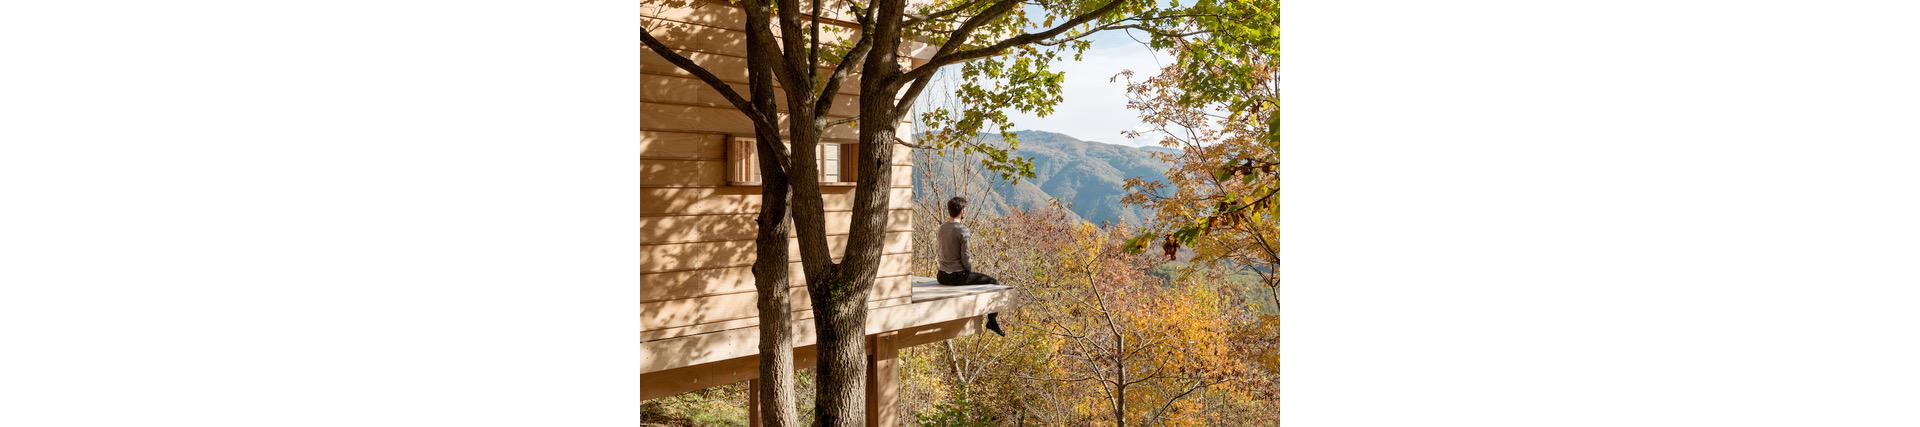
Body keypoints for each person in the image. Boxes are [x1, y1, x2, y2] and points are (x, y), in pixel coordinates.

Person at [936, 197, 1004, 336]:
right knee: (994, 283)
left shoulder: (942, 228)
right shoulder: (962, 230)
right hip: (957, 277)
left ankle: (992, 321)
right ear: (962, 211)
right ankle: (992, 320)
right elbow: (965, 257)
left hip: (942, 276)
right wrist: (968, 271)